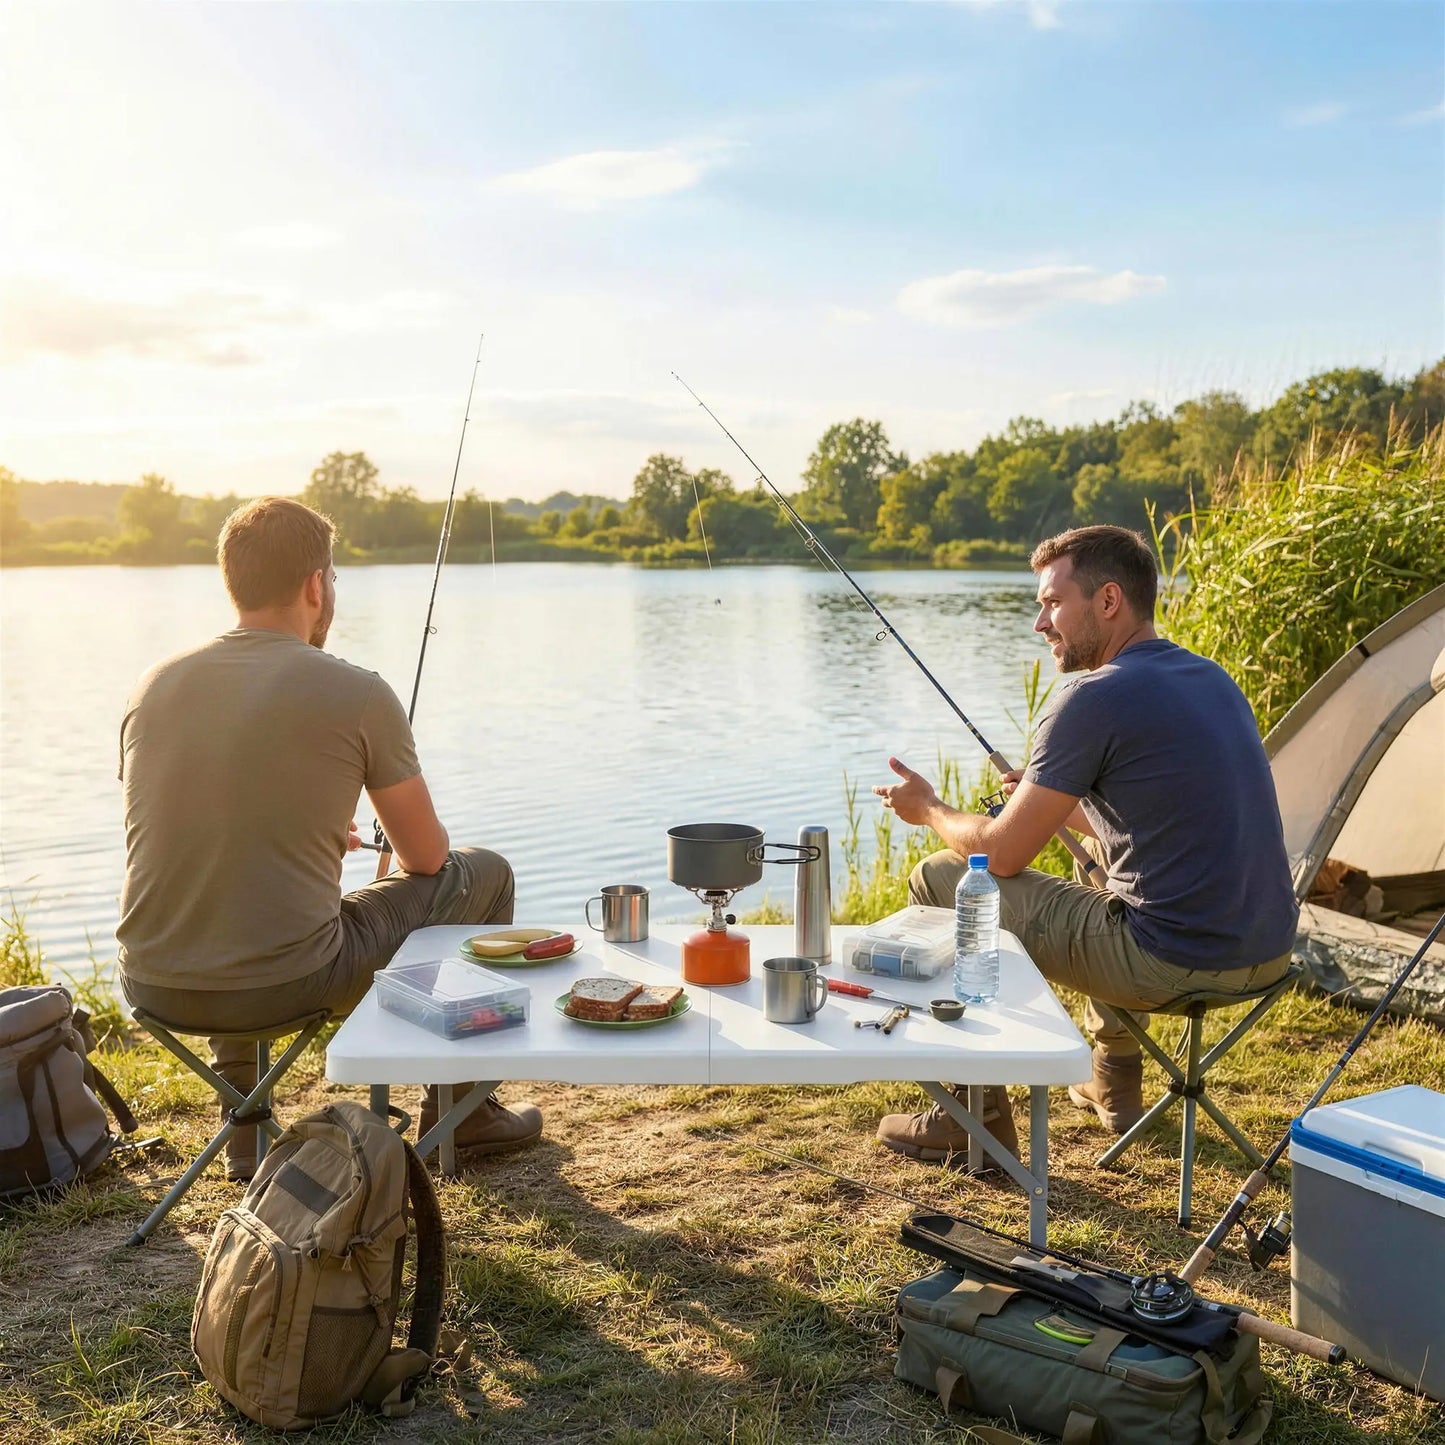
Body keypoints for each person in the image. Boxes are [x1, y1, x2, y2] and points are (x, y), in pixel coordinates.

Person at [117, 496, 542, 1181]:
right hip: (288, 980)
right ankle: (465, 1110)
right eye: (334, 578)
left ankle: (246, 1136)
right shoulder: (357, 690)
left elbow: (187, 825)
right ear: (316, 585)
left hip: (153, 981)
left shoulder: (153, 683)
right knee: (483, 872)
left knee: (236, 899)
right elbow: (426, 859)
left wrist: (299, 826)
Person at [871, 524, 1297, 1167]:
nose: (1040, 623)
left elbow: (1000, 856)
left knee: (943, 876)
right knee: (1098, 863)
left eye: (1052, 603)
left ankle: (970, 1117)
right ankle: (1114, 1081)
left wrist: (928, 807)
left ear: (1107, 602)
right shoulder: (1211, 678)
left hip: (1173, 961)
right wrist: (1053, 803)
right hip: (1265, 954)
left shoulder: (1088, 697)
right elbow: (1155, 830)